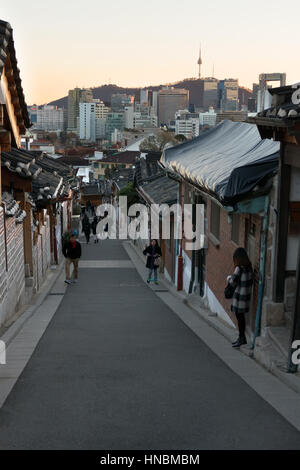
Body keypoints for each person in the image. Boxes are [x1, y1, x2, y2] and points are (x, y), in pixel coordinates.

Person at [227, 247, 253, 348]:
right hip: (246, 296)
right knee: (241, 317)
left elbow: (233, 282)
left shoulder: (239, 268)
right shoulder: (249, 267)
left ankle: (242, 338)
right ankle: (241, 338)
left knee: (240, 318)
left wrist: (229, 278)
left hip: (239, 298)